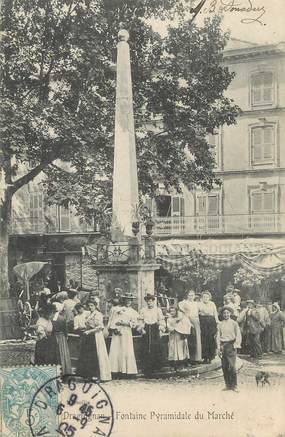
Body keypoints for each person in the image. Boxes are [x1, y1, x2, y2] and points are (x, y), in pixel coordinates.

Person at [77, 298, 111, 381]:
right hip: (89, 337)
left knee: (97, 355)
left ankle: (100, 376)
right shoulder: (88, 314)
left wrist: (89, 331)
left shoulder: (98, 314)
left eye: (92, 305)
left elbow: (100, 327)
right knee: (89, 356)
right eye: (89, 306)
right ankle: (89, 375)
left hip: (96, 336)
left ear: (95, 306)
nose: (90, 307)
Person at [109, 292, 139, 378]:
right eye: (126, 299)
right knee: (116, 350)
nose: (128, 301)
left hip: (126, 332)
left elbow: (134, 324)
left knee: (126, 349)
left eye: (130, 300)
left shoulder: (133, 312)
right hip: (118, 331)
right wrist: (114, 328)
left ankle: (127, 371)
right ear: (124, 300)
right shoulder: (118, 309)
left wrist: (126, 323)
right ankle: (115, 371)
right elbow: (113, 320)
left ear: (131, 301)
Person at [138, 293, 166, 376]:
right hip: (146, 328)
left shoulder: (158, 310)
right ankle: (146, 367)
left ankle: (156, 366)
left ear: (153, 301)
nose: (149, 303)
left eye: (151, 301)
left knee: (155, 346)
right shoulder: (143, 310)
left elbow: (161, 320)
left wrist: (161, 327)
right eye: (148, 301)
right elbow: (140, 321)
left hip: (155, 328)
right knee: (146, 347)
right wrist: (141, 329)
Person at [217, 306, 241, 392]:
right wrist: (218, 347)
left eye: (227, 313)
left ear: (230, 313)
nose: (226, 314)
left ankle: (234, 385)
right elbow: (218, 336)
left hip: (231, 345)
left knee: (232, 367)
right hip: (223, 346)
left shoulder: (234, 323)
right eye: (224, 313)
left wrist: (236, 344)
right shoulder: (220, 324)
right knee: (224, 366)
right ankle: (228, 385)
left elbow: (238, 334)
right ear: (222, 315)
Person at [178, 290, 202, 362]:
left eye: (192, 295)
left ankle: (197, 358)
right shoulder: (184, 303)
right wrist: (188, 322)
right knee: (190, 339)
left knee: (197, 339)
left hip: (196, 320)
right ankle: (190, 358)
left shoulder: (196, 303)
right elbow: (182, 312)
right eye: (189, 295)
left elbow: (200, 311)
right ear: (187, 296)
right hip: (187, 320)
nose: (191, 297)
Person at [199, 291, 219, 364]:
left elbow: (215, 313)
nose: (205, 298)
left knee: (211, 339)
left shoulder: (212, 304)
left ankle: (210, 357)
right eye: (204, 297)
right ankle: (205, 357)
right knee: (203, 339)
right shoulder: (199, 304)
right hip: (203, 322)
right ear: (202, 298)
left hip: (211, 322)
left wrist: (217, 322)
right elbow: (197, 313)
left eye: (207, 297)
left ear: (209, 297)